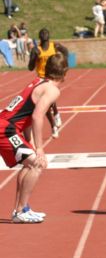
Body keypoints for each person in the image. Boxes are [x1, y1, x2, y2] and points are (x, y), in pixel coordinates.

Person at [0, 50, 68, 223]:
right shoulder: (52, 89)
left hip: (8, 127)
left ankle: (21, 209)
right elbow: (37, 116)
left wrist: (29, 142)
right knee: (37, 163)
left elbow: (26, 114)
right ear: (65, 72)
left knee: (28, 164)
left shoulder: (38, 81)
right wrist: (39, 148)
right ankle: (21, 211)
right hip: (6, 129)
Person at [27, 28, 66, 139]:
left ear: (48, 36)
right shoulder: (37, 49)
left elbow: (66, 53)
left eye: (46, 33)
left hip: (53, 76)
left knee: (47, 101)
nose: (44, 34)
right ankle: (54, 122)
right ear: (40, 37)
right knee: (44, 103)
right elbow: (30, 68)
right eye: (42, 33)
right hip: (42, 78)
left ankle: (56, 116)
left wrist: (62, 64)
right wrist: (33, 57)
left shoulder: (55, 46)